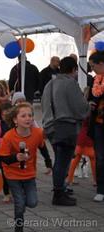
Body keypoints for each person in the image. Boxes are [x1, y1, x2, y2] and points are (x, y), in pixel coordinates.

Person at [42, 56, 90, 206]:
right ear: (74, 69)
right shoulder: (70, 83)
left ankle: (60, 188)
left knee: (59, 160)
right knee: (63, 161)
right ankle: (58, 194)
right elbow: (80, 108)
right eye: (76, 71)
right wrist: (88, 105)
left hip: (50, 126)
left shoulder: (50, 83)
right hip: (65, 126)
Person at [0, 102, 48, 232]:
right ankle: (18, 228)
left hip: (29, 174)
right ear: (15, 120)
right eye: (23, 116)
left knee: (32, 203)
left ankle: (22, 201)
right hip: (12, 175)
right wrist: (15, 157)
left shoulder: (37, 133)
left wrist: (48, 163)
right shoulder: (8, 136)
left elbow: (42, 147)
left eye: (30, 115)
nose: (28, 118)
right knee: (19, 205)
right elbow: (2, 158)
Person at [88, 51, 104, 202]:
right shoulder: (95, 80)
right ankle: (101, 189)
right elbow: (91, 97)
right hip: (99, 124)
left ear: (101, 64)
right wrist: (90, 104)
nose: (92, 69)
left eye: (93, 66)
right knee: (99, 157)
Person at [66, 118, 96, 186]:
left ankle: (69, 179)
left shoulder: (81, 112)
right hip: (89, 137)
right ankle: (96, 181)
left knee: (76, 158)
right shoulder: (90, 112)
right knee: (93, 159)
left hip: (81, 137)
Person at [0, 102, 13, 203]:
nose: (6, 117)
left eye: (8, 114)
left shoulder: (16, 123)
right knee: (4, 173)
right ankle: (6, 193)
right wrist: (6, 141)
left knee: (14, 172)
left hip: (13, 151)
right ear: (1, 115)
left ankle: (15, 190)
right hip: (2, 152)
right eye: (4, 115)